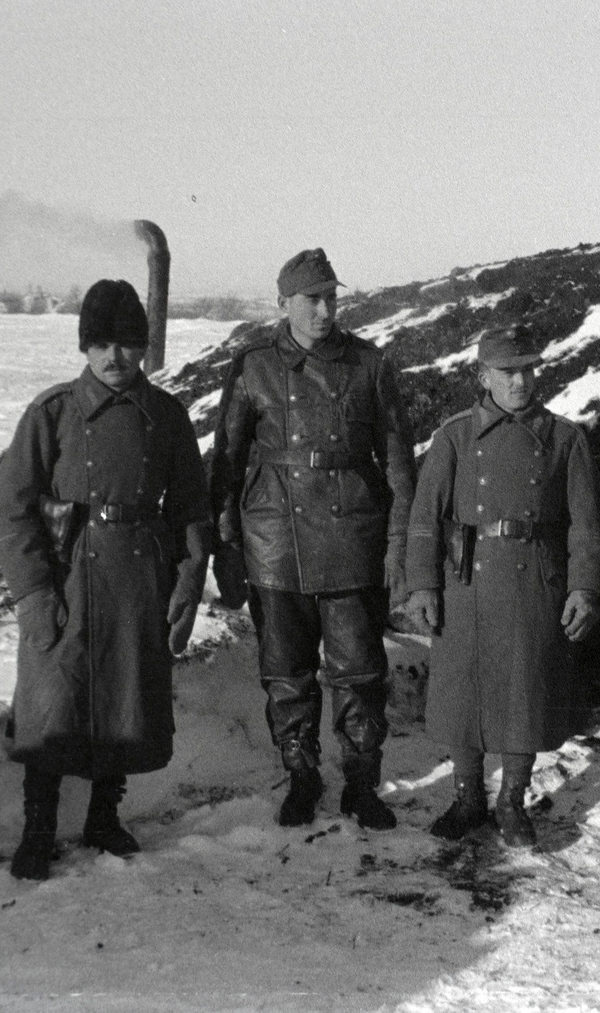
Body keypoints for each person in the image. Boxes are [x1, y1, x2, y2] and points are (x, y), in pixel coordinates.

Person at [0, 279, 209, 882]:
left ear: (144, 347)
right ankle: (37, 831)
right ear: (85, 347)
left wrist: (186, 590)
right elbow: (10, 507)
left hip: (139, 577)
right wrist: (34, 594)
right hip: (67, 574)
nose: (116, 358)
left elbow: (191, 509)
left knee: (123, 696)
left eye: (129, 344)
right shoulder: (52, 412)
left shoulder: (165, 415)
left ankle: (103, 818)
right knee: (52, 701)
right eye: (103, 344)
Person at [209, 248, 416, 830]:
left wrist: (399, 545)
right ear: (283, 303)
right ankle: (302, 777)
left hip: (353, 533)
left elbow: (400, 464)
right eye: (311, 299)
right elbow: (224, 462)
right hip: (275, 538)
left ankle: (360, 782)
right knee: (286, 671)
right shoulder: (252, 367)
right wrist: (224, 543)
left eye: (331, 297)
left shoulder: (369, 365)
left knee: (359, 670)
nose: (325, 310)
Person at [404, 324, 600, 847]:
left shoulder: (565, 438)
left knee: (525, 691)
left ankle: (512, 803)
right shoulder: (455, 436)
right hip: (466, 579)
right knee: (463, 694)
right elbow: (425, 517)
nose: (520, 382)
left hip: (535, 577)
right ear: (483, 375)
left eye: (527, 370)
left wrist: (584, 587)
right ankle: (467, 800)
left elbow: (585, 524)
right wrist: (423, 586)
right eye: (507, 372)